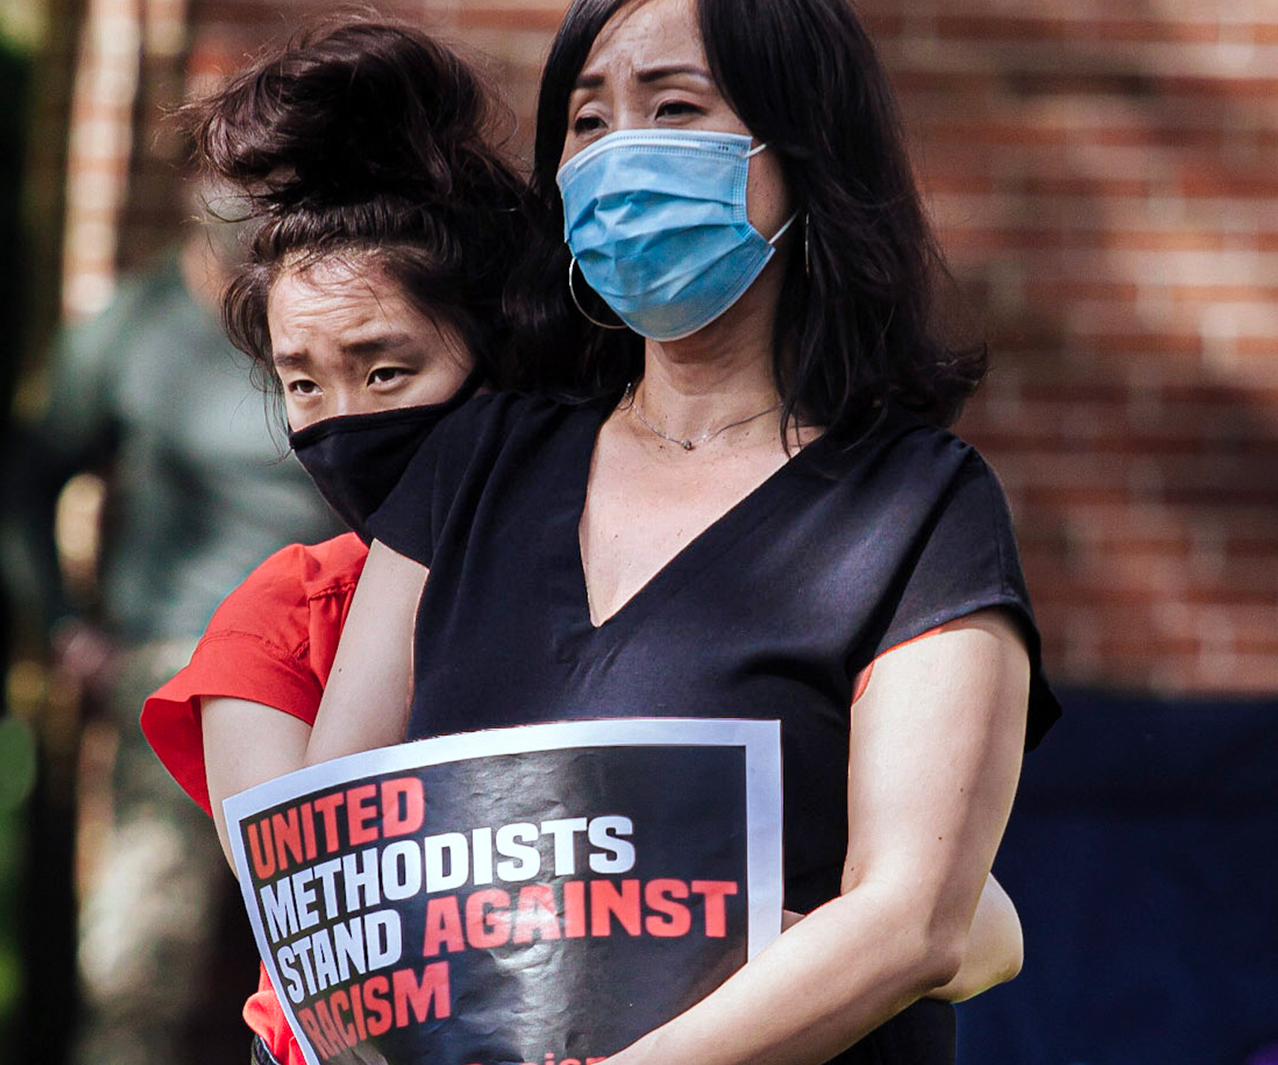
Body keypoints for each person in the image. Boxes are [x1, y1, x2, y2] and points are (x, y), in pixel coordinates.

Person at [140, 15, 1039, 1065]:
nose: (619, 151)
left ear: (800, 149)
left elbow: (919, 921)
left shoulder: (918, 508)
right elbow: (345, 887)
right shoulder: (471, 462)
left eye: (672, 108)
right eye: (585, 119)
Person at [0, 214, 341, 1065]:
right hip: (181, 657)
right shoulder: (132, 326)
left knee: (345, 938)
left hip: (334, 654)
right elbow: (25, 486)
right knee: (147, 935)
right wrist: (69, 627)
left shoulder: (322, 318)